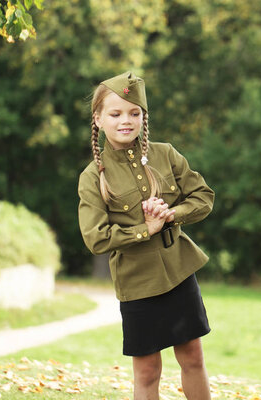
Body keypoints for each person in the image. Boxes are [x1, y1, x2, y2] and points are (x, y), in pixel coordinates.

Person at [78, 71, 214, 400]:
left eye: (134, 113)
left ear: (143, 117)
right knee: (148, 370)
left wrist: (172, 215)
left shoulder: (166, 154)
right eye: (116, 113)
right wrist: (145, 230)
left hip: (179, 271)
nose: (126, 120)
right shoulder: (93, 176)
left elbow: (203, 197)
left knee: (193, 358)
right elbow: (95, 237)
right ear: (98, 118)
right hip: (136, 282)